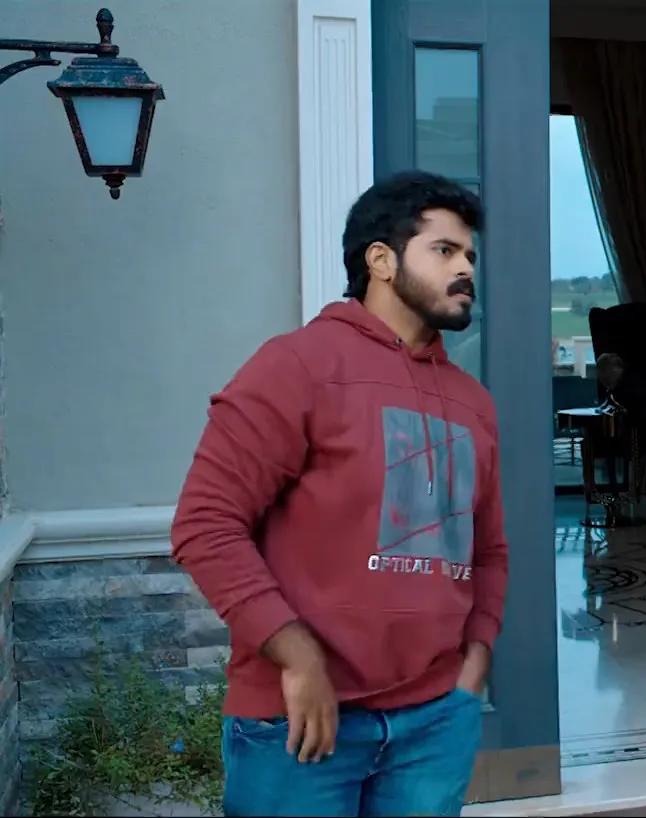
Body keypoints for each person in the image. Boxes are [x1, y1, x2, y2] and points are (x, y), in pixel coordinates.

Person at [171, 170, 507, 817]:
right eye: (444, 250)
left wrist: (475, 661)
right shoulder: (298, 366)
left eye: (469, 254)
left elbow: (489, 549)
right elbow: (206, 523)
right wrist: (297, 657)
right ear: (380, 260)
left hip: (434, 725)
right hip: (300, 722)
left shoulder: (473, 402)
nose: (466, 267)